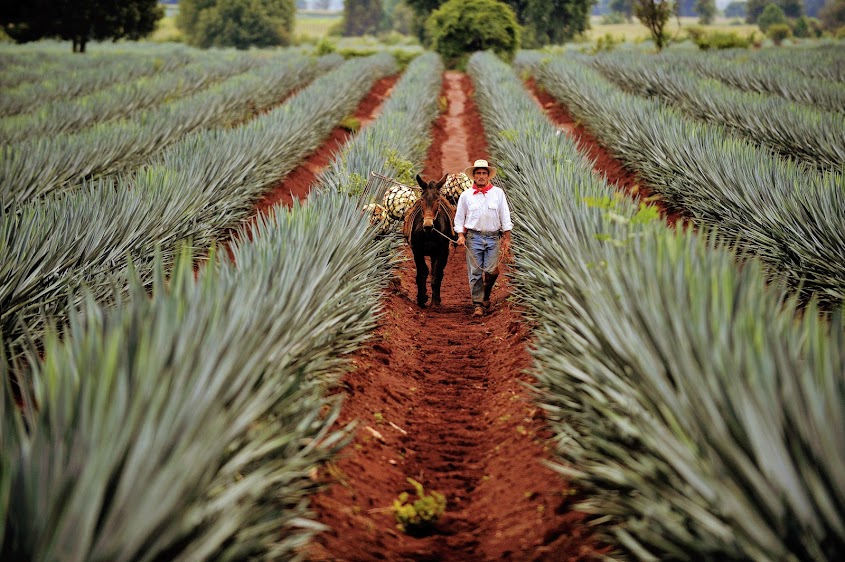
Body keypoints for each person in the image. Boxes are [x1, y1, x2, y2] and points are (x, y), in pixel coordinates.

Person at [453, 159, 513, 317]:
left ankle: (486, 294)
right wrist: (460, 235)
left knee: (492, 271)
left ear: (488, 176)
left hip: (493, 237)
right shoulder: (466, 196)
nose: (481, 176)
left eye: (484, 173)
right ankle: (478, 305)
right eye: (478, 173)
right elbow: (459, 218)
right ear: (473, 176)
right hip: (473, 238)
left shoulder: (498, 193)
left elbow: (505, 215)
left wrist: (507, 238)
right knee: (475, 273)